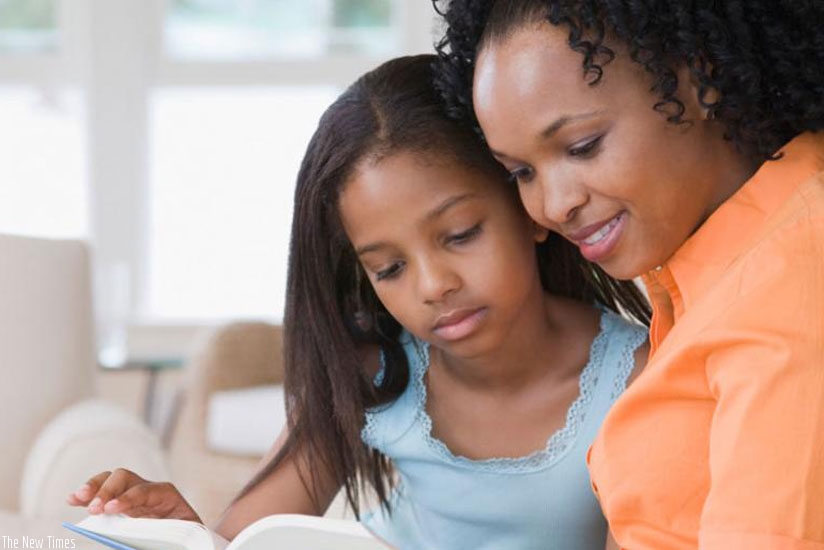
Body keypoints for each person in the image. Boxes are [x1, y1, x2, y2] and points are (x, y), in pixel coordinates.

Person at [67, 54, 650, 550]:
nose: (432, 285)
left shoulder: (636, 381)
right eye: (390, 268)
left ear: (528, 201)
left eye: (461, 234)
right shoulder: (374, 367)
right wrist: (186, 531)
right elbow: (245, 539)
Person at [433, 1, 824, 549]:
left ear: (700, 78)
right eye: (521, 172)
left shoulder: (789, 284)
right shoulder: (715, 263)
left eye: (582, 147)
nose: (553, 205)